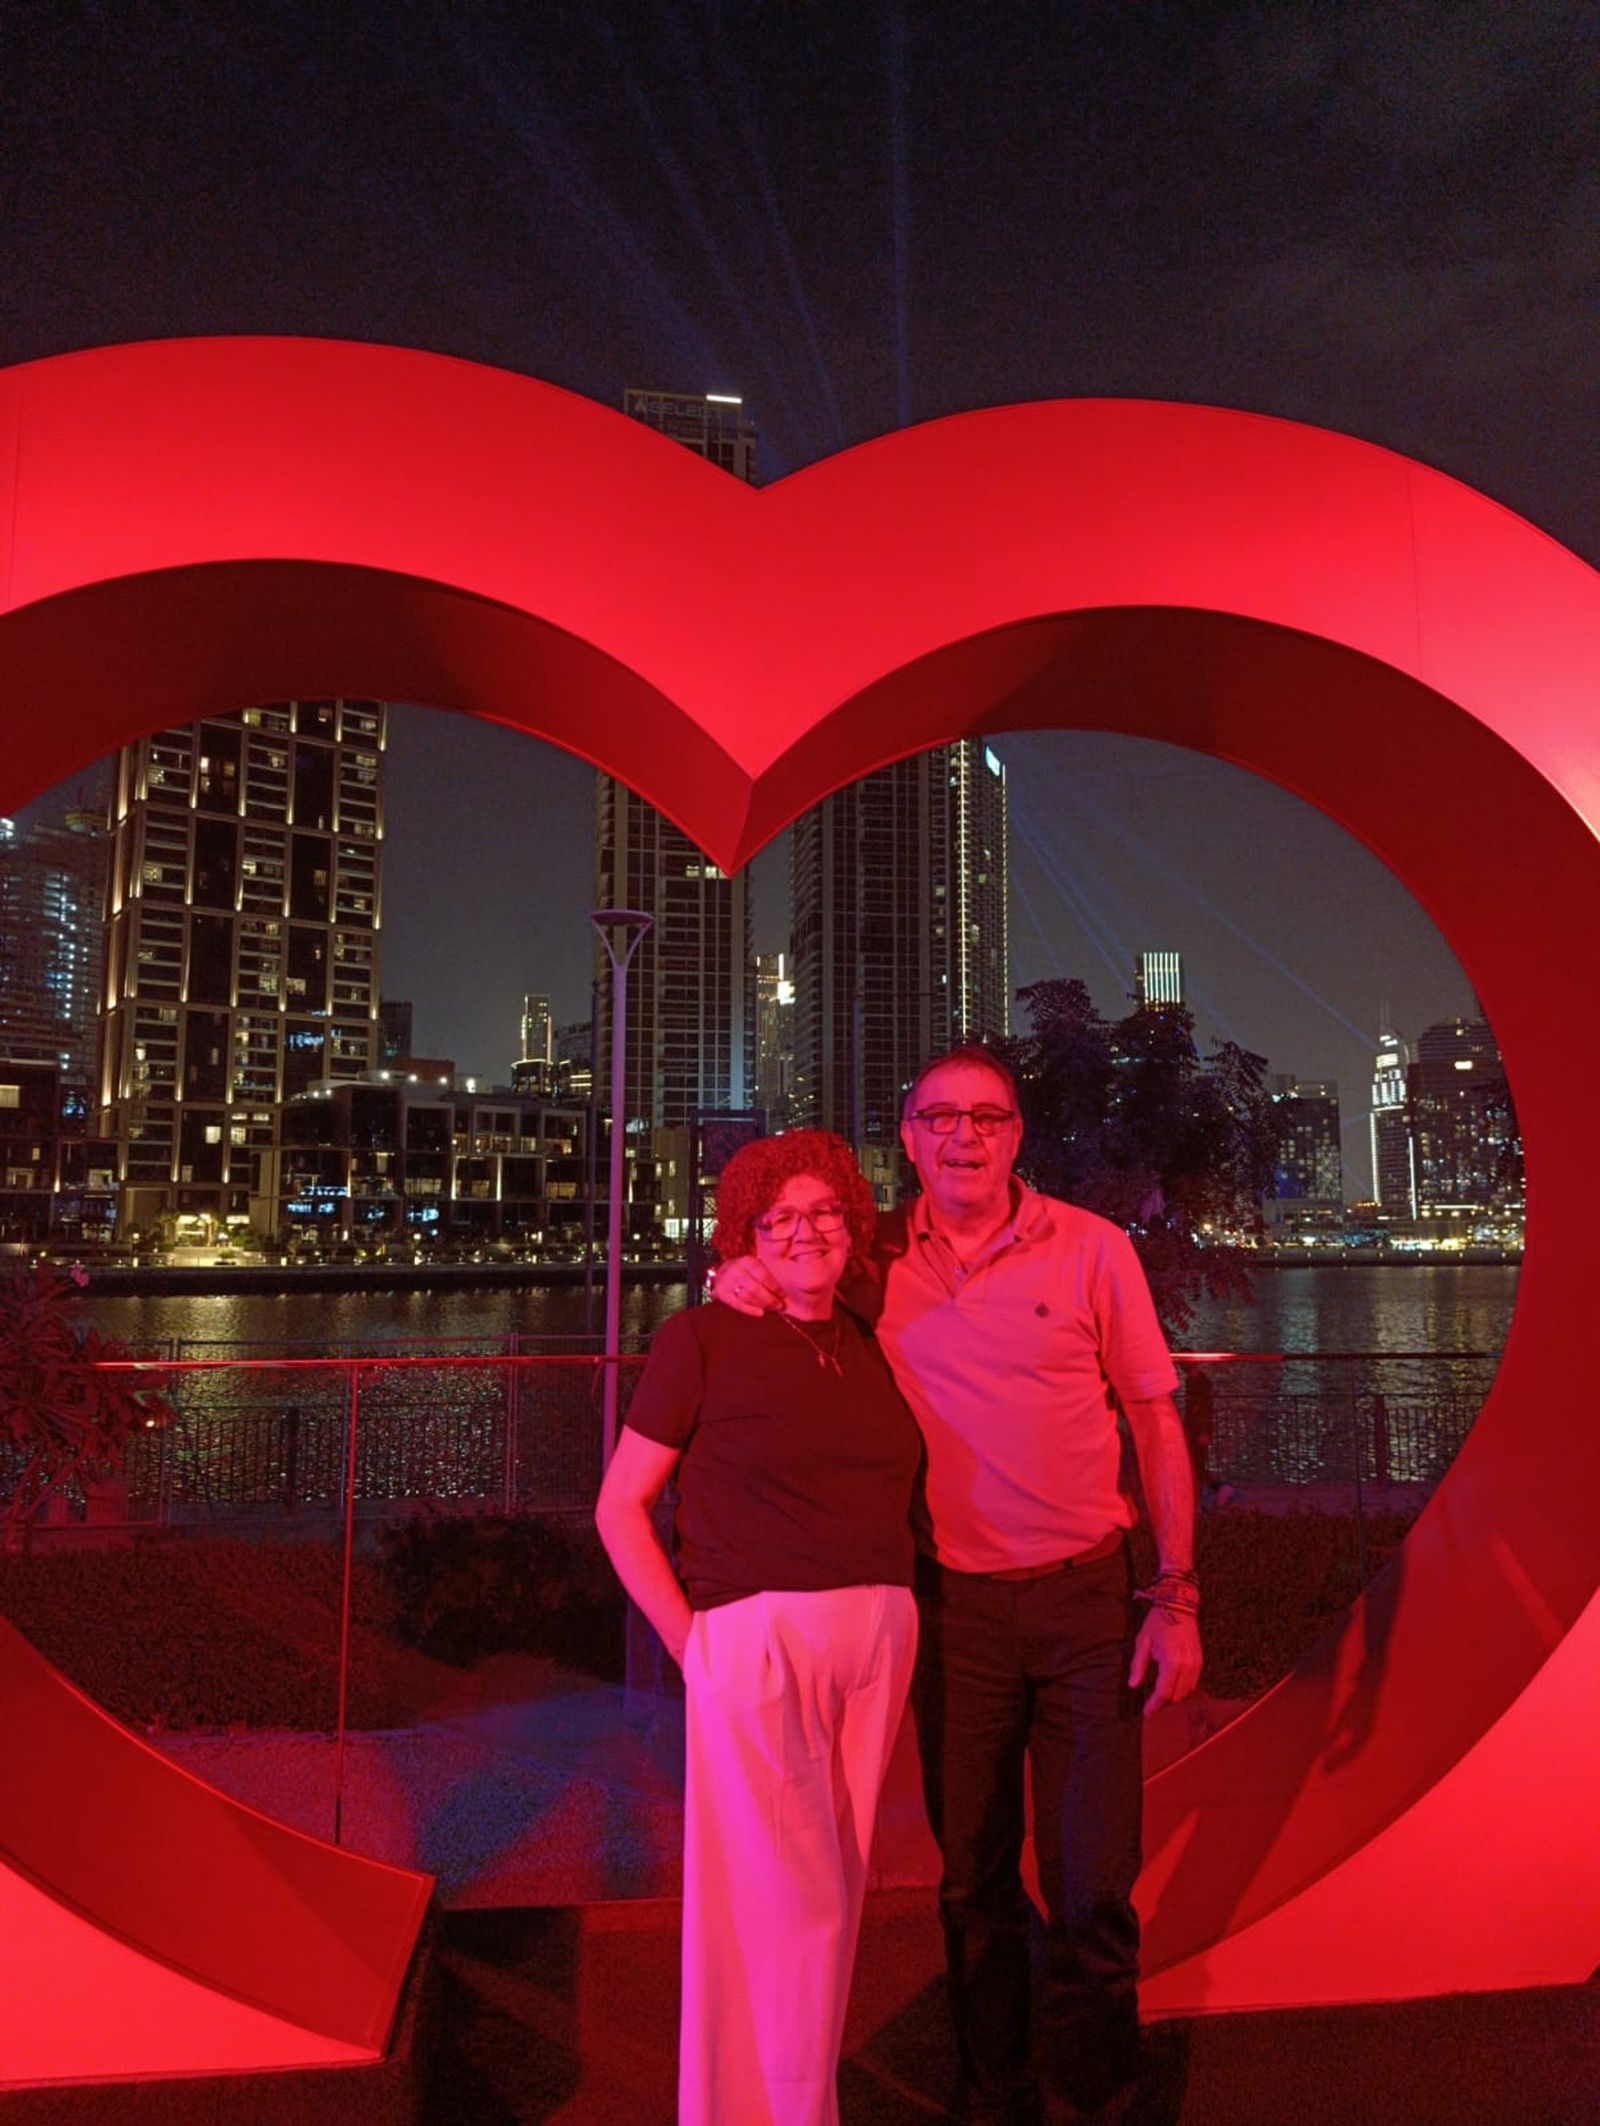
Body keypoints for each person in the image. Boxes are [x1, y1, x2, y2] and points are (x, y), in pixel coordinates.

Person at [712, 1049, 1202, 2125]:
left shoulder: (1093, 1248)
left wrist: (1174, 1594)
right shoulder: (871, 1255)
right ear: (908, 1135)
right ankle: (995, 2091)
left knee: (1091, 1893)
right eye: (940, 1116)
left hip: (1087, 1604)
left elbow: (1156, 1420)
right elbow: (786, 1275)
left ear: (1018, 1134)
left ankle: (1097, 2098)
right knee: (970, 1884)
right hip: (953, 1613)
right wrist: (733, 1276)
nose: (964, 1135)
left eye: (988, 1116)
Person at [594, 1128, 921, 2126]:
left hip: (876, 1634)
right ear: (743, 1234)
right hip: (756, 1635)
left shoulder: (865, 1335)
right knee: (800, 1904)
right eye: (776, 1217)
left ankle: (753, 2104)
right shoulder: (700, 1337)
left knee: (821, 1898)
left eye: (824, 1211)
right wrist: (692, 1642)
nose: (805, 1230)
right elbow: (619, 1508)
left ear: (852, 1224)